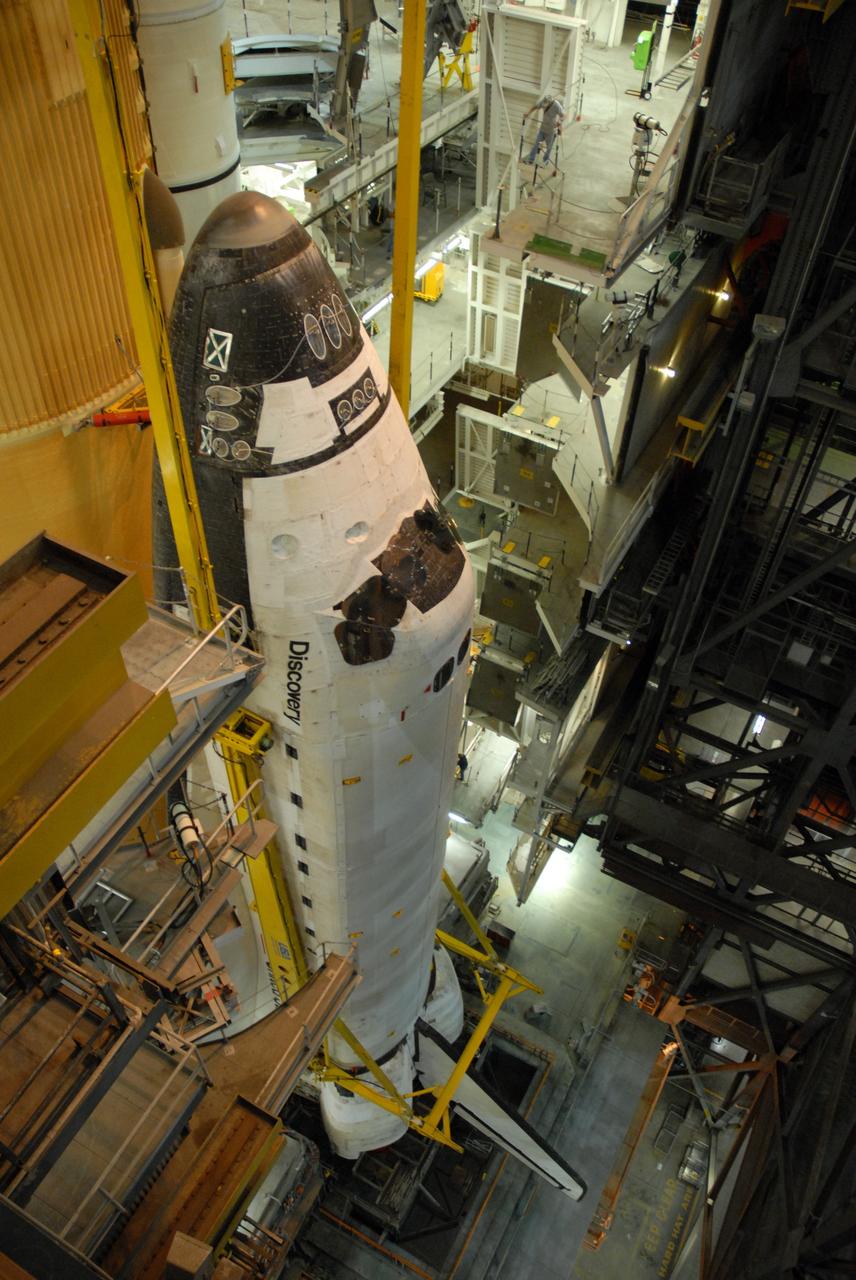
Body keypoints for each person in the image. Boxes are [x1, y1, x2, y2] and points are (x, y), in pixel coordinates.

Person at [523, 95, 565, 167]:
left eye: (546, 104)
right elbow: (535, 107)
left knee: (548, 148)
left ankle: (545, 161)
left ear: (550, 103)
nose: (544, 106)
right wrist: (528, 113)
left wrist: (559, 122)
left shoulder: (556, 105)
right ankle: (531, 159)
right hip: (543, 128)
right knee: (536, 144)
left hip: (551, 131)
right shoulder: (543, 102)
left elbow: (563, 116)